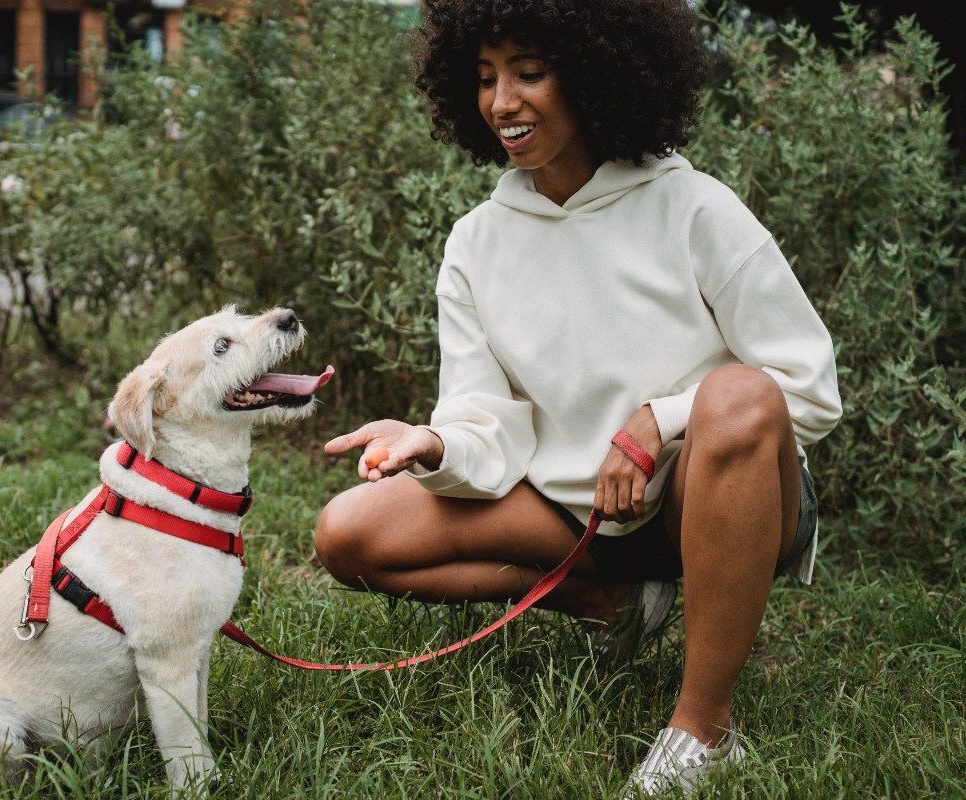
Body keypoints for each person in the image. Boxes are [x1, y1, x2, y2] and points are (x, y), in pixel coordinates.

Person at [314, 0, 842, 793]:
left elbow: (807, 387)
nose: (502, 102)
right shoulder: (476, 242)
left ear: (597, 73)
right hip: (577, 514)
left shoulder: (695, 206)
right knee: (348, 534)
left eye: (529, 72)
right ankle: (609, 598)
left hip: (711, 499)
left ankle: (703, 727)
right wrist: (437, 442)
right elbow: (486, 420)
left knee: (738, 394)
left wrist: (661, 421)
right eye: (485, 78)